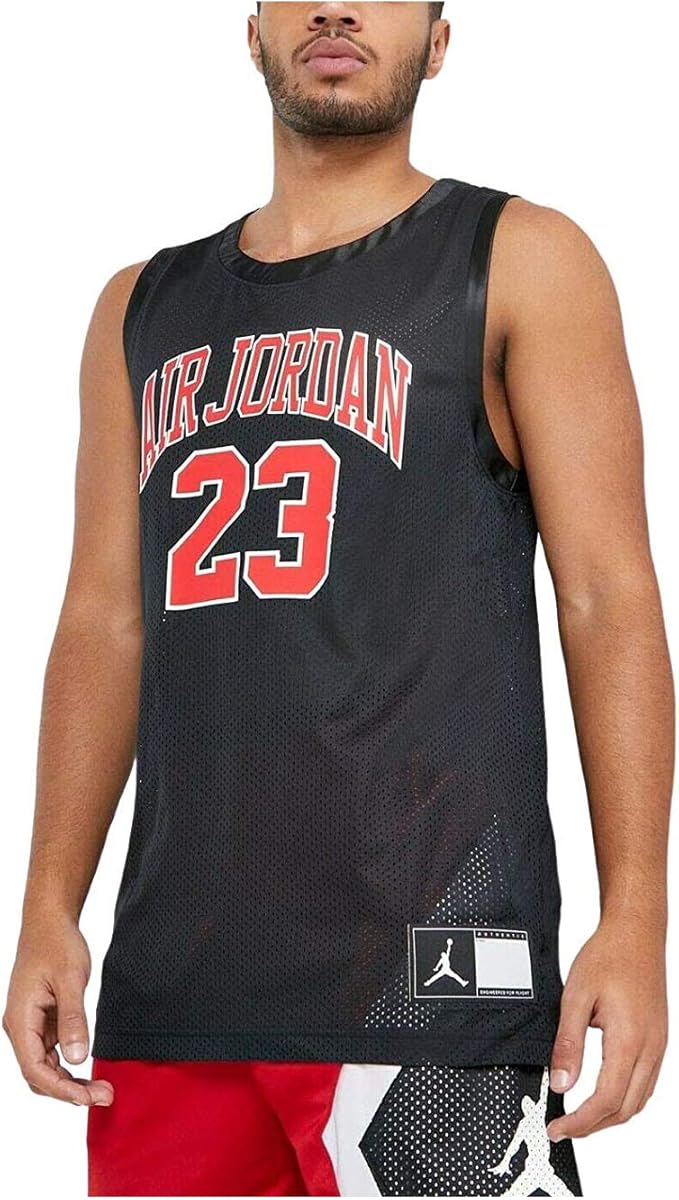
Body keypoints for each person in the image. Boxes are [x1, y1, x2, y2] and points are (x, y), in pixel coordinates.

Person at [3, 3, 672, 1196]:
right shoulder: (138, 305)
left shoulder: (520, 255)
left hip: (433, 983)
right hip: (179, 985)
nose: (336, 7)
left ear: (438, 40)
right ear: (252, 30)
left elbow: (606, 598)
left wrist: (635, 920)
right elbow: (104, 618)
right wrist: (49, 903)